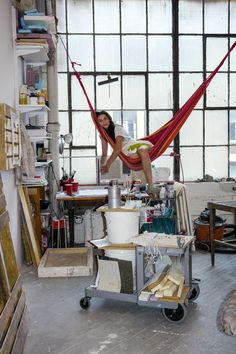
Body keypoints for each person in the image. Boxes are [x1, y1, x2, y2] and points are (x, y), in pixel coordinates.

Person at [97, 111, 154, 188]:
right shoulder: (104, 135)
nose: (103, 122)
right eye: (100, 121)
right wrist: (102, 167)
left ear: (109, 119)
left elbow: (118, 149)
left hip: (135, 145)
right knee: (135, 159)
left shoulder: (117, 128)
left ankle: (151, 185)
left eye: (105, 119)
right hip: (129, 153)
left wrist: (107, 165)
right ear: (98, 124)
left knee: (142, 151)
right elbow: (104, 154)